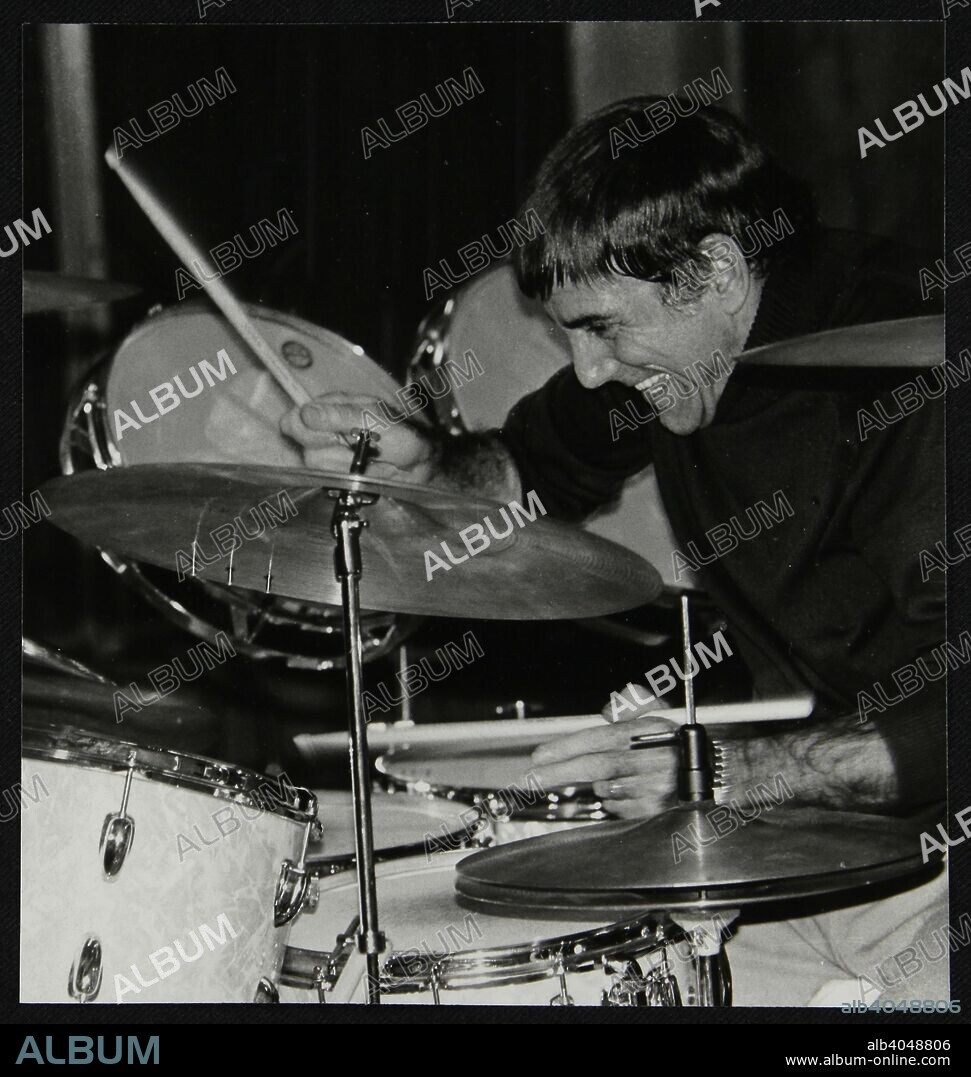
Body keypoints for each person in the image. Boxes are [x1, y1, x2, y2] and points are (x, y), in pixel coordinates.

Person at [281, 99, 948, 1005]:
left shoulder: (921, 377)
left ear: (713, 270)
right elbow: (529, 466)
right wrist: (429, 465)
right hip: (822, 843)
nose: (589, 370)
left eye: (600, 328)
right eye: (570, 336)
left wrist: (728, 772)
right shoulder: (682, 346)